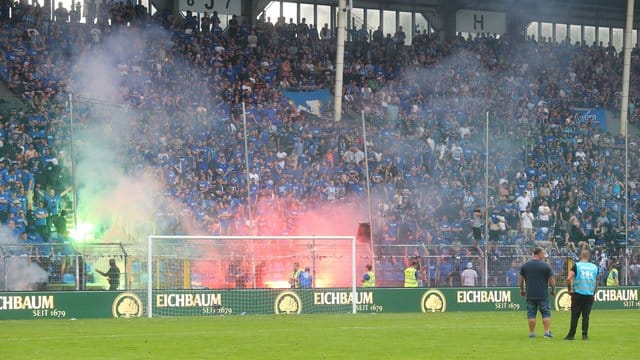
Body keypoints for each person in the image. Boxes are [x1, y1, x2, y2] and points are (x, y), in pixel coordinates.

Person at [519, 247, 556, 339]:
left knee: (531, 314)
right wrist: (553, 290)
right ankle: (547, 333)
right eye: (543, 254)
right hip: (542, 294)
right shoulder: (546, 266)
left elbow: (521, 279)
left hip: (530, 294)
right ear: (539, 254)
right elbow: (551, 279)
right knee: (546, 313)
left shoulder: (525, 265)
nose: (544, 256)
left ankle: (532, 333)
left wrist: (521, 289)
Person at [564, 249, 598, 340]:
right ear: (589, 257)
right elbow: (596, 281)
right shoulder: (594, 267)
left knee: (575, 316)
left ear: (580, 256)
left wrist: (569, 290)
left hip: (578, 294)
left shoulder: (577, 266)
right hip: (589, 295)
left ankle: (571, 335)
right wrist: (593, 293)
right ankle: (585, 335)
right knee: (586, 316)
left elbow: (568, 278)